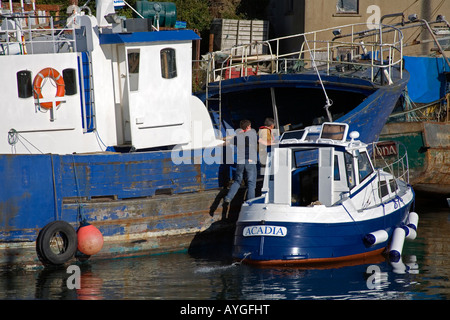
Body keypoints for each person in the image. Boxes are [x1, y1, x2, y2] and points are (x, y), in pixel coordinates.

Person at [223, 120, 257, 204]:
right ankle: (250, 202)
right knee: (251, 183)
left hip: (240, 161)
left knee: (237, 181)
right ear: (248, 126)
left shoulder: (237, 136)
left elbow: (227, 142)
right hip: (250, 161)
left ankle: (228, 197)